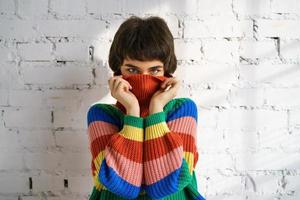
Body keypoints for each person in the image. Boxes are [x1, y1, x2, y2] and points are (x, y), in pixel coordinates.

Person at [86, 15, 206, 200]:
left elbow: (167, 184)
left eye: (155, 70)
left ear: (166, 71)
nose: (143, 78)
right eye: (132, 70)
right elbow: (125, 186)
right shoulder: (101, 115)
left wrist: (156, 108)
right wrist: (133, 111)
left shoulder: (183, 110)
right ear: (118, 72)